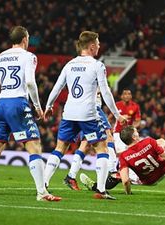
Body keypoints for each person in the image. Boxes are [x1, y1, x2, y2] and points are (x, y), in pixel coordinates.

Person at [0, 26, 61, 201]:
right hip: (18, 103)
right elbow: (29, 82)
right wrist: (36, 106)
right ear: (25, 39)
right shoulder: (29, 57)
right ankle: (42, 192)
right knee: (34, 146)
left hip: (1, 105)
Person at [43, 31, 126, 200]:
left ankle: (43, 185)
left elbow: (57, 88)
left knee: (60, 148)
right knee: (101, 147)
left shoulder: (69, 64)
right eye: (98, 43)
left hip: (69, 113)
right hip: (88, 113)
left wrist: (48, 106)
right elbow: (106, 92)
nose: (100, 46)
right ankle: (101, 190)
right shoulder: (97, 65)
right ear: (92, 46)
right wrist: (116, 114)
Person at [80, 125, 165, 194]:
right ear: (134, 137)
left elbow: (126, 181)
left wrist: (128, 193)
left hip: (147, 181)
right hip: (163, 171)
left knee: (117, 175)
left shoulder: (124, 156)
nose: (138, 133)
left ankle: (95, 186)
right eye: (136, 132)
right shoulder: (149, 141)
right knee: (161, 141)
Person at [62, 93, 115, 191]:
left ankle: (71, 176)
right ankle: (114, 171)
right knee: (109, 137)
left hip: (83, 110)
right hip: (94, 108)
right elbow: (103, 92)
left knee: (85, 145)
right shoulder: (97, 77)